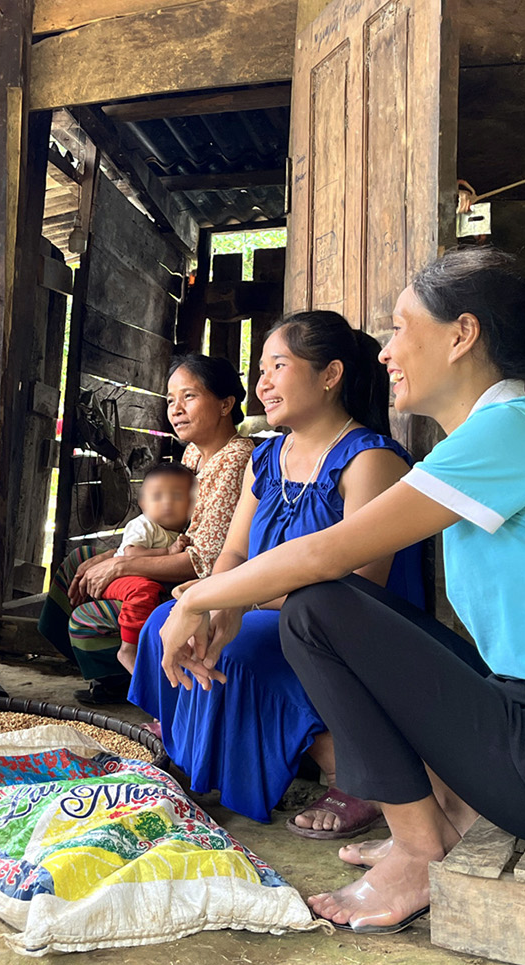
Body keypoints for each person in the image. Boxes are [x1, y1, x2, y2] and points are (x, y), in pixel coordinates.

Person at [156, 246, 525, 933]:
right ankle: (445, 823)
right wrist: (219, 595)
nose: (386, 352)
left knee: (317, 608)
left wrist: (199, 597)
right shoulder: (514, 434)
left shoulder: (507, 434)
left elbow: (326, 554)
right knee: (348, 608)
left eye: (401, 328)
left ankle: (417, 846)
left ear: (461, 335)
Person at [129, 311, 422, 836]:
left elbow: (358, 588)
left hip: (342, 626)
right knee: (165, 622)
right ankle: (192, 749)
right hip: (266, 608)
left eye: (277, 366)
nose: (261, 383)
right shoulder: (265, 459)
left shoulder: (370, 460)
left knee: (239, 650)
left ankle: (358, 774)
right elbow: (236, 553)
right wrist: (217, 600)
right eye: (260, 369)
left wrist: (233, 604)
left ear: (330, 375)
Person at [38, 355, 256, 705]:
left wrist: (122, 565)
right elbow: (169, 530)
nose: (176, 409)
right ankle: (103, 671)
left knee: (87, 616)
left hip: (199, 579)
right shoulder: (194, 456)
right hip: (171, 554)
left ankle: (128, 677)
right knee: (77, 562)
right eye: (171, 400)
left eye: (189, 396)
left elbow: (203, 562)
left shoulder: (235, 460)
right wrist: (115, 555)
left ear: (226, 404)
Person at [105, 461, 197, 673]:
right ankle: (128, 649)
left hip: (141, 577)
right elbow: (131, 554)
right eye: (157, 497)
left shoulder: (182, 531)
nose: (167, 503)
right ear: (143, 503)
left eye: (177, 497)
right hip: (119, 579)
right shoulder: (144, 525)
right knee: (143, 590)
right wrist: (168, 552)